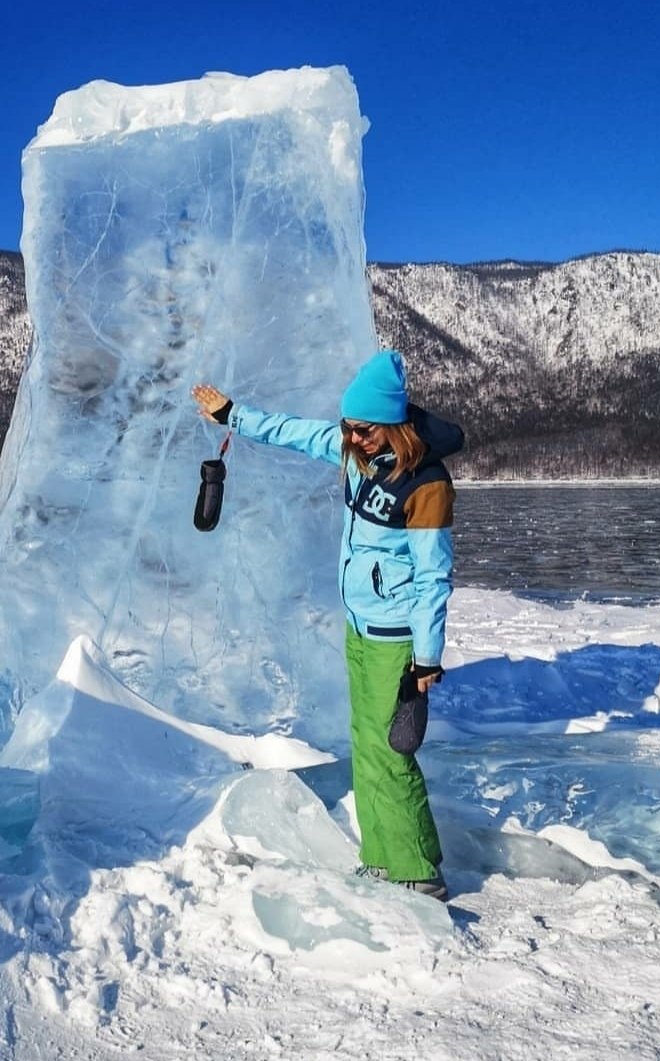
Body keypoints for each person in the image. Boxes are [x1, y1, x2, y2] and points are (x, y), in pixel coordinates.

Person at [191, 350, 463, 901]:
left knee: (392, 750)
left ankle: (421, 872)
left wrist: (427, 658)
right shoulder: (354, 454)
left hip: (396, 638)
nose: (352, 439)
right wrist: (232, 415)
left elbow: (434, 577)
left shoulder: (427, 484)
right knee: (365, 745)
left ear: (393, 425)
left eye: (364, 430)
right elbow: (292, 432)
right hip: (360, 625)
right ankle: (385, 860)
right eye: (348, 428)